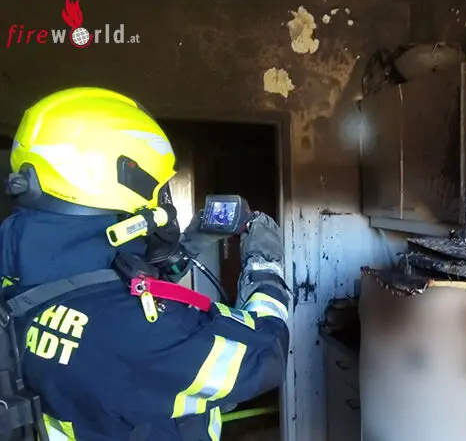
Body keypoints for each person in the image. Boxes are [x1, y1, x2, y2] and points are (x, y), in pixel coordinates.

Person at [0, 87, 292, 440]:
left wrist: (188, 247)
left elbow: (99, 287)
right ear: (125, 177)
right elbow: (263, 356)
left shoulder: (17, 274)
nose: (161, 201)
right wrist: (265, 267)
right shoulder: (143, 332)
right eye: (159, 188)